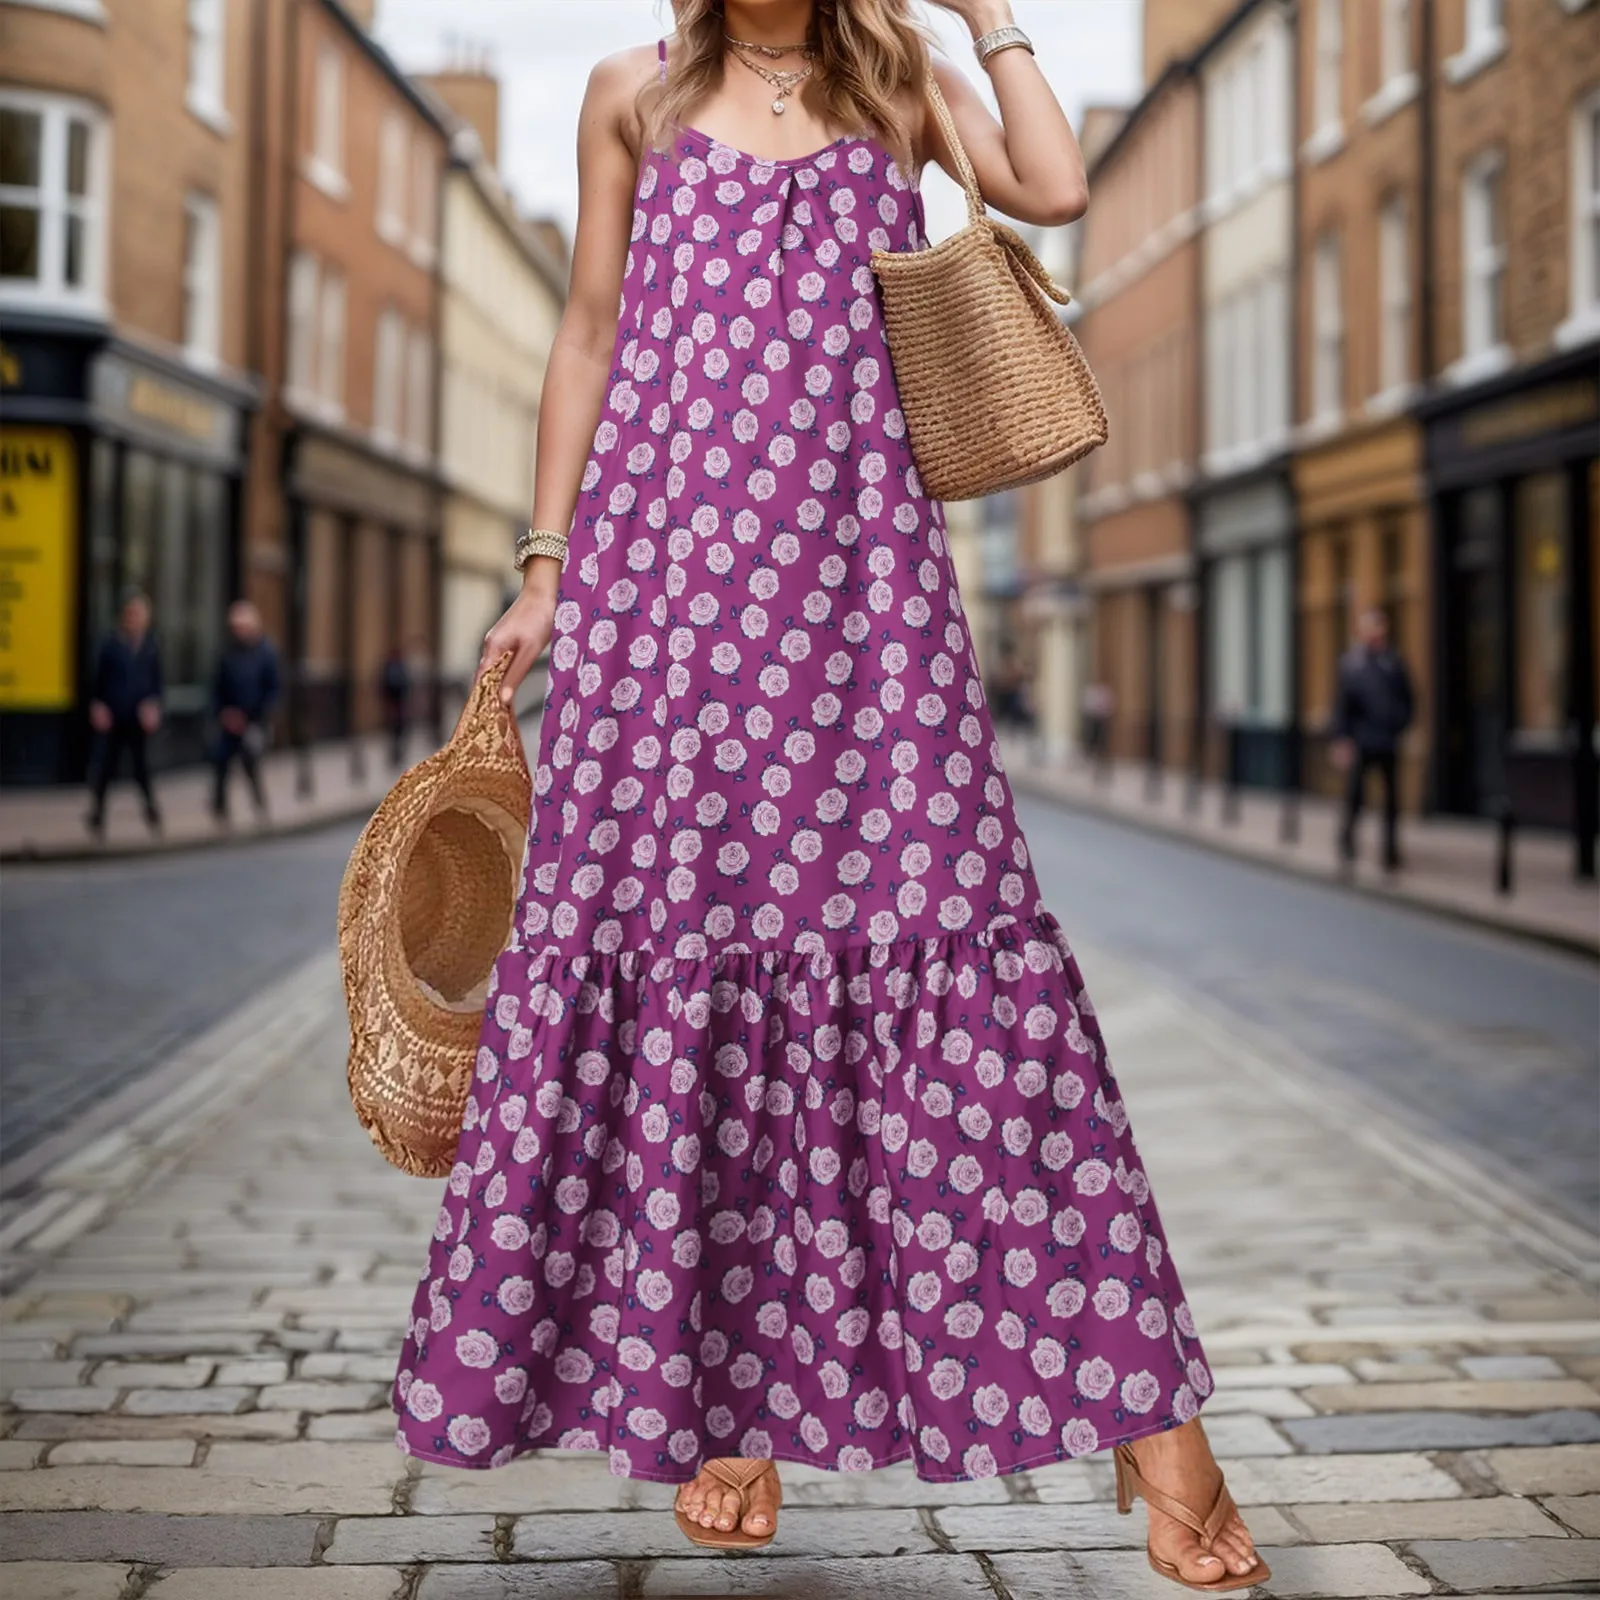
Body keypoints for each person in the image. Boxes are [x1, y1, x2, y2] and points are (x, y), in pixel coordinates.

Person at [391, 2, 1265, 1590]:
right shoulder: (628, 95)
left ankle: (1160, 1433)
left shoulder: (902, 82)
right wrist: (547, 565)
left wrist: (988, 17)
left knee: (956, 962)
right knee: (695, 961)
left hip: (864, 603)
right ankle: (725, 1402)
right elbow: (589, 327)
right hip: (661, 602)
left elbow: (1056, 191)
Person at [1332, 606, 1414, 872]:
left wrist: (1399, 726)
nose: (1372, 633)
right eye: (1367, 627)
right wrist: (1343, 739)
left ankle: (1390, 851)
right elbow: (1342, 706)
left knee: (1391, 799)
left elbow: (1408, 699)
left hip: (1388, 740)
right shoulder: (1352, 665)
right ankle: (1347, 842)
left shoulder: (1393, 662)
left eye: (1376, 627)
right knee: (1356, 795)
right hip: (1361, 740)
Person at [85, 588, 163, 836]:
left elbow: (156, 684)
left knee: (141, 768)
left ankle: (151, 812)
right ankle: (97, 815)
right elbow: (98, 681)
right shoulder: (111, 645)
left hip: (137, 717)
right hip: (115, 714)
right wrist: (98, 706)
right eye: (130, 614)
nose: (133, 619)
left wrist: (154, 706)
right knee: (106, 767)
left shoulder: (150, 647)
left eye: (138, 614)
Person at [212, 600, 281, 822]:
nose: (238, 631)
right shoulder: (228, 652)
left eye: (241, 626)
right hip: (230, 719)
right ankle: (219, 806)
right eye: (235, 627)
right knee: (222, 762)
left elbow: (273, 689)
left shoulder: (266, 653)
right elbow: (217, 685)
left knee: (250, 764)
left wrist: (255, 715)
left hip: (253, 720)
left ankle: (259, 804)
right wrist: (224, 712)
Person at [381, 644, 412, 769]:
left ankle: (396, 753)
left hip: (396, 703)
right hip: (396, 703)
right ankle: (395, 753)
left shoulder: (393, 667)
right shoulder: (396, 668)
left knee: (397, 730)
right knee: (397, 730)